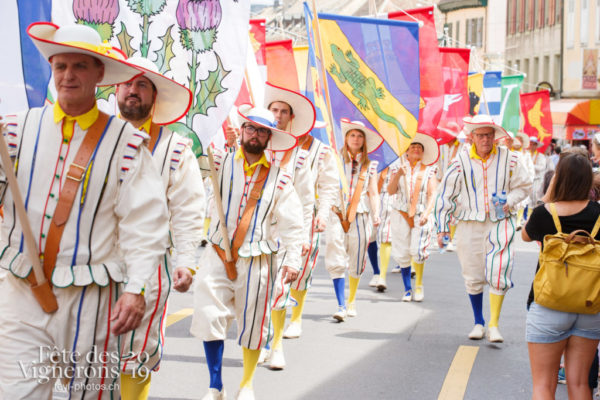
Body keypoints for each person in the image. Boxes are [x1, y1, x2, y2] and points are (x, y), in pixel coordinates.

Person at [0, 23, 169, 398]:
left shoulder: (126, 143)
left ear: (100, 74)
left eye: (79, 66)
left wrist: (136, 287)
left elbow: (146, 223)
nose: (68, 75)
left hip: (90, 299)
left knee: (89, 394)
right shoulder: (14, 130)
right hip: (20, 292)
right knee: (16, 393)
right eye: (61, 66)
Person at [190, 104, 303, 400]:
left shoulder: (281, 179)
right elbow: (191, 173)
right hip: (216, 253)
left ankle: (247, 384)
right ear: (241, 131)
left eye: (262, 131)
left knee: (253, 323)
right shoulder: (219, 163)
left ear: (269, 138)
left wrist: (293, 260)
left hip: (258, 260)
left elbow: (293, 224)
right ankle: (215, 385)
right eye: (250, 128)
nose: (254, 135)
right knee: (208, 315)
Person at [115, 56, 206, 399]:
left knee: (136, 351)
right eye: (127, 84)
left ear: (154, 97)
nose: (133, 91)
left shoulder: (176, 148)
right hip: (93, 261)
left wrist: (185, 260)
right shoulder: (93, 138)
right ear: (116, 91)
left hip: (149, 265)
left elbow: (188, 210)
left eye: (142, 85)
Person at [434, 114, 532, 342]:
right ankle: (478, 321)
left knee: (500, 270)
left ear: (495, 137)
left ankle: (494, 324)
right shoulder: (460, 162)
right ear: (472, 137)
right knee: (473, 273)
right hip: (469, 224)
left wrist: (510, 200)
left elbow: (524, 186)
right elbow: (445, 195)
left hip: (500, 222)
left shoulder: (510, 159)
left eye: (489, 135)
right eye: (481, 135)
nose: (486, 139)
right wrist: (442, 228)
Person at [262, 83, 338, 370]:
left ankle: (287, 328)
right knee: (266, 286)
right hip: (264, 227)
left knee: (295, 277)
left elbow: (326, 187)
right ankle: (267, 335)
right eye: (275, 110)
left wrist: (322, 216)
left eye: (284, 112)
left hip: (300, 224)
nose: (279, 116)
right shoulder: (263, 142)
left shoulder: (318, 151)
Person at [522, 152, 600, 400]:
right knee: (580, 385)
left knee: (544, 385)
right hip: (590, 305)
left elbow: (525, 235)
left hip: (549, 304)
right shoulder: (599, 213)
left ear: (559, 178)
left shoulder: (545, 213)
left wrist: (548, 194)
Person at [325, 120, 382, 321]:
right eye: (352, 135)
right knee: (336, 256)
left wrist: (376, 213)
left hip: (360, 214)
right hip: (337, 213)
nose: (356, 139)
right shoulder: (334, 159)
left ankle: (351, 300)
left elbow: (373, 192)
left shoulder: (370, 165)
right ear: (346, 139)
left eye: (359, 136)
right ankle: (340, 304)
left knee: (357, 259)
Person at [387, 133, 439, 302]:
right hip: (401, 212)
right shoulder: (398, 168)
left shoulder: (429, 170)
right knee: (402, 252)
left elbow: (433, 194)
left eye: (419, 147)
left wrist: (427, 212)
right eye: (412, 147)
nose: (416, 149)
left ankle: (419, 285)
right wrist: (398, 175)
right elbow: (390, 191)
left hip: (420, 212)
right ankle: (407, 288)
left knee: (417, 250)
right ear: (407, 151)